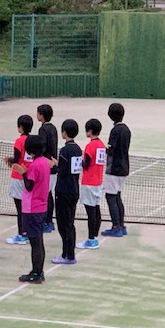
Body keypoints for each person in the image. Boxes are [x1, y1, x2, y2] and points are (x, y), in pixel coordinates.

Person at [12, 135, 50, 284]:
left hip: (32, 208)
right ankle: (38, 271)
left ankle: (36, 272)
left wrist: (23, 173)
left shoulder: (34, 166)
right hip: (41, 206)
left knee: (35, 242)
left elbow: (29, 185)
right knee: (39, 241)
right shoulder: (45, 163)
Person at [52, 119, 83, 265]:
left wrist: (54, 165)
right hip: (74, 190)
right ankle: (68, 253)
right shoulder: (77, 149)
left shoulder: (65, 151)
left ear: (64, 132)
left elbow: (62, 171)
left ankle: (68, 255)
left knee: (64, 224)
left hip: (64, 191)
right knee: (70, 223)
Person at [102, 103, 131, 237]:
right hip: (124, 167)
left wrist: (104, 151)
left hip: (114, 169)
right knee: (117, 196)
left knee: (111, 197)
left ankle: (116, 226)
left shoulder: (115, 131)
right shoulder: (126, 129)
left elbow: (111, 149)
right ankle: (121, 225)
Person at [77, 119, 106, 250]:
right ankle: (94, 237)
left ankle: (91, 239)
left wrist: (78, 161)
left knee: (90, 212)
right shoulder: (101, 145)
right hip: (98, 181)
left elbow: (86, 164)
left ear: (90, 131)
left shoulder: (90, 146)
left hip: (89, 182)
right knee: (96, 209)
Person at [6, 115, 34, 245]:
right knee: (28, 207)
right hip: (30, 176)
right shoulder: (33, 140)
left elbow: (16, 159)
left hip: (18, 177)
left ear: (20, 127)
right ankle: (28, 233)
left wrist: (8, 161)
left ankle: (22, 234)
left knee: (20, 208)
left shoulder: (19, 141)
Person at [37, 104, 58, 233]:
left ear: (42, 115)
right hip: (53, 165)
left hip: (47, 166)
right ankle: (48, 220)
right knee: (48, 194)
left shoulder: (43, 130)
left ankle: (48, 221)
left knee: (46, 194)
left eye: (38, 113)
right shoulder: (53, 128)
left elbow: (42, 146)